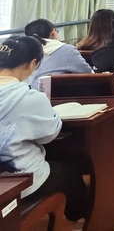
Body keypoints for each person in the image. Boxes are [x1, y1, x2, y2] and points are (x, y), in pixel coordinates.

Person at [0, 36, 89, 223]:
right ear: (33, 63)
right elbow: (50, 134)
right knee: (69, 171)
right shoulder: (28, 97)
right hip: (19, 179)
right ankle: (80, 220)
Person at [24, 18, 92, 88]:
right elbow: (87, 72)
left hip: (24, 92)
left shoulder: (22, 50)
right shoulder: (67, 50)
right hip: (51, 93)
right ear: (53, 33)